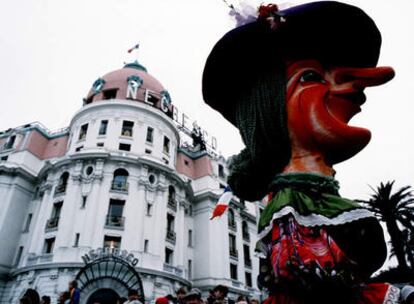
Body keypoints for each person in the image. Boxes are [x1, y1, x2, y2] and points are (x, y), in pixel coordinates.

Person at [203, 2, 399, 304]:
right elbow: (303, 269)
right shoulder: (291, 202)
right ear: (268, 113)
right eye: (311, 77)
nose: (351, 88)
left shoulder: (312, 194)